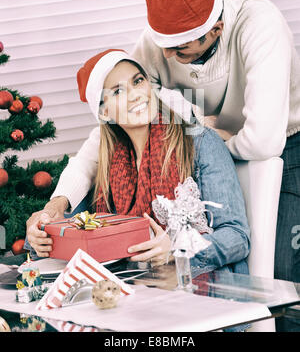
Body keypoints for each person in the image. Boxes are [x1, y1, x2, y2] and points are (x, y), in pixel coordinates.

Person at [29, 0, 300, 331]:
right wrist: (55, 211)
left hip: (284, 136)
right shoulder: (156, 50)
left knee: (285, 279)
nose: (165, 62)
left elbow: (261, 143)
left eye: (139, 81)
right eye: (120, 91)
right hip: (151, 287)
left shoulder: (258, 26)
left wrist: (205, 143)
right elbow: (98, 143)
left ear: (215, 31)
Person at [27, 49, 250, 278]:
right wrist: (40, 233)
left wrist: (177, 248)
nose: (135, 95)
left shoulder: (201, 143)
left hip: (207, 290)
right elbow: (66, 232)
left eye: (138, 81)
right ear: (104, 112)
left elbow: (237, 239)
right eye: (117, 91)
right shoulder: (106, 171)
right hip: (136, 290)